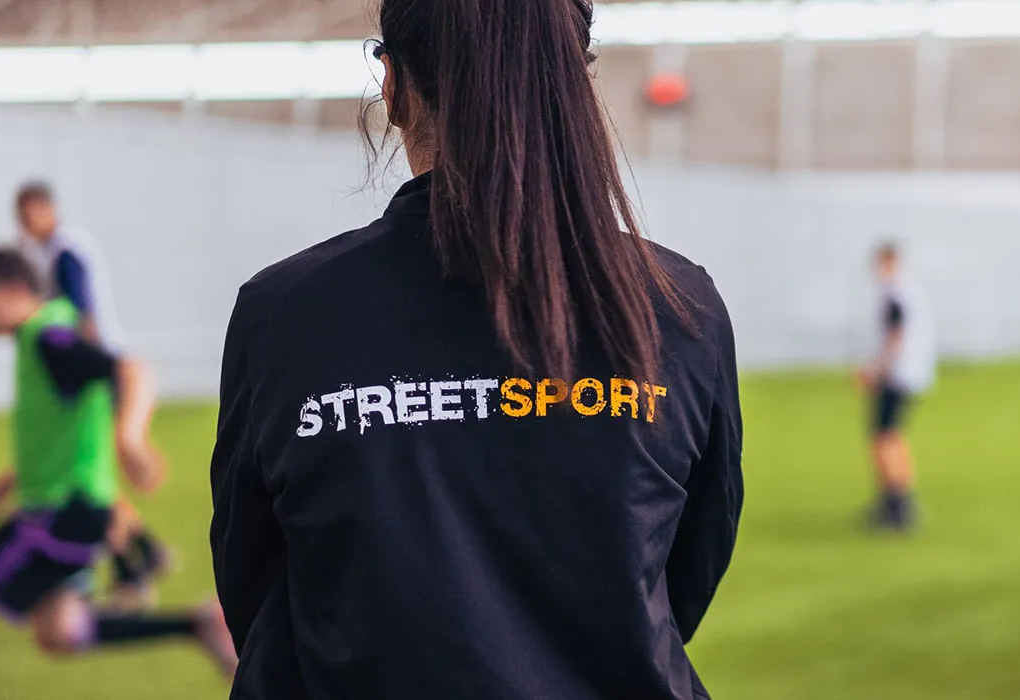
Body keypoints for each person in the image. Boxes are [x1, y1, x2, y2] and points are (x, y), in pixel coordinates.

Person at [208, 1, 743, 698]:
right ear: (577, 83)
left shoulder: (286, 313)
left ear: (392, 87)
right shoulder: (680, 305)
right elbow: (686, 577)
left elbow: (255, 584)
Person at [0, 249, 235, 700]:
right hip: (76, 510)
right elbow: (53, 441)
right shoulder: (42, 337)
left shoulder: (48, 338)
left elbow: (133, 370)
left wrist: (130, 439)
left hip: (62, 512)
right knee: (59, 632)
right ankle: (196, 623)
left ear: (12, 290)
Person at [12, 181, 171, 613]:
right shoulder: (59, 249)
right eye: (20, 218)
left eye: (29, 215)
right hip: (98, 368)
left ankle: (134, 567)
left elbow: (81, 320)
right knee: (95, 483)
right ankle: (142, 556)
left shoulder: (65, 253)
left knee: (91, 484)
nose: (25, 226)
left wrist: (88, 377)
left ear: (48, 209)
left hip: (96, 372)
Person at [857, 243, 935, 532]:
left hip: (896, 375)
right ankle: (899, 499)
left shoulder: (894, 294)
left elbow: (895, 338)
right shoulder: (907, 291)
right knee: (892, 434)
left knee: (884, 436)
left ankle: (894, 503)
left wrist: (876, 371)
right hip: (909, 374)